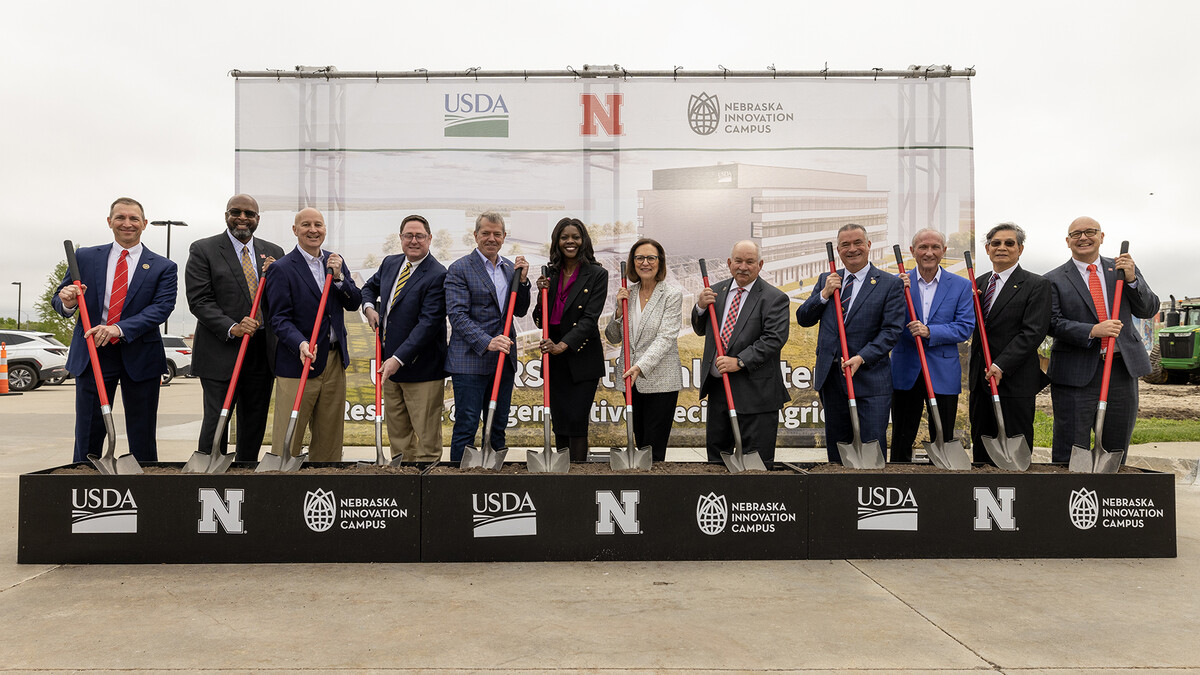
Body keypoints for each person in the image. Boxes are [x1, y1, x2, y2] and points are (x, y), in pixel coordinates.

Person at [53, 197, 177, 463]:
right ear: (109, 222)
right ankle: (85, 480)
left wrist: (117, 329)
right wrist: (68, 301)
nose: (127, 224)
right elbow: (59, 298)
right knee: (88, 429)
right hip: (93, 354)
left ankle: (142, 487)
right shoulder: (83, 257)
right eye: (120, 217)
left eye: (134, 219)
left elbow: (161, 309)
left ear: (144, 224)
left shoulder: (163, 267)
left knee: (142, 432)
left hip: (140, 355)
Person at [1046, 216, 1159, 464]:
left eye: (1090, 232)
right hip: (1075, 372)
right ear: (1067, 241)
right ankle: (1068, 497)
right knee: (1071, 445)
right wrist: (1092, 330)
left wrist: (1132, 280)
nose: (1083, 237)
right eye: (1076, 234)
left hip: (1121, 369)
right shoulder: (1052, 279)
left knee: (1116, 444)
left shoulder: (1121, 269)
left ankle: (1110, 494)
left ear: (1101, 237)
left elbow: (1148, 309)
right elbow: (1051, 322)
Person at [185, 194, 285, 462]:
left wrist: (276, 276)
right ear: (226, 215)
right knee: (218, 417)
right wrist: (232, 327)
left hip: (261, 352)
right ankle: (210, 471)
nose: (242, 218)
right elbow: (199, 300)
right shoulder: (203, 249)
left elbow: (280, 301)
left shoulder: (274, 252)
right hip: (222, 349)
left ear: (258, 219)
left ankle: (246, 471)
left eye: (249, 214)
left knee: (254, 419)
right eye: (236, 212)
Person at [796, 223, 905, 463]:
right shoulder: (828, 279)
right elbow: (803, 319)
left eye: (857, 243)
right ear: (838, 249)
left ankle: (871, 493)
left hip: (869, 377)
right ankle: (838, 494)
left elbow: (891, 331)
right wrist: (823, 295)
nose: (852, 249)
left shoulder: (889, 283)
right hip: (832, 377)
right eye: (845, 244)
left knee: (871, 445)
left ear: (868, 245)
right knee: (838, 446)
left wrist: (862, 356)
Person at [264, 207, 362, 462]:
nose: (313, 230)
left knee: (329, 438)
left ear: (325, 230)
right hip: (299, 362)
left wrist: (340, 278)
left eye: (318, 224)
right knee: (290, 436)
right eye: (305, 224)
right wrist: (300, 343)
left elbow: (353, 303)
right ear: (295, 230)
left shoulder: (335, 261)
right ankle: (281, 487)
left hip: (333, 360)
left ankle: (325, 486)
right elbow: (279, 318)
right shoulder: (282, 268)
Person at [691, 240, 790, 467]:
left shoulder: (774, 298)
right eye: (738, 261)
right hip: (719, 394)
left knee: (755, 467)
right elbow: (699, 328)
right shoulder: (715, 292)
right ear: (729, 263)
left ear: (760, 264)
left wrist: (740, 361)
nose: (743, 267)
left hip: (757, 395)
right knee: (717, 464)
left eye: (750, 261)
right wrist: (700, 308)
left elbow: (774, 339)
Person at [444, 212, 531, 463]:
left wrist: (522, 282)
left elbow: (519, 310)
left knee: (497, 427)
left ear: (504, 237)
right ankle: (460, 485)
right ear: (475, 236)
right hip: (470, 361)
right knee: (467, 425)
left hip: (502, 363)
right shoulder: (460, 268)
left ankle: (493, 480)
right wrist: (487, 341)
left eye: (497, 234)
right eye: (486, 233)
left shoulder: (508, 268)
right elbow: (457, 316)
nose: (491, 238)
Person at [361, 214, 448, 462]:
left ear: (429, 239)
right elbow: (368, 288)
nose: (413, 240)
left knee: (426, 441)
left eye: (419, 236)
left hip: (421, 370)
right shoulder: (390, 263)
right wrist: (369, 307)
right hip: (390, 368)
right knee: (398, 439)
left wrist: (397, 359)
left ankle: (427, 491)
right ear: (400, 238)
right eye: (408, 235)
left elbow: (428, 325)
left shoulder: (437, 274)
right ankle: (403, 487)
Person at [968, 222, 1051, 462]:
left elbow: (1033, 332)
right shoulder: (977, 285)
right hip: (981, 380)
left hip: (1015, 381)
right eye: (996, 243)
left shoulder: (1037, 285)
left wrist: (1002, 364)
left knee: (1015, 453)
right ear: (987, 249)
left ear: (1020, 249)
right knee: (982, 451)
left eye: (1009, 243)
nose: (1001, 247)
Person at [889, 229, 975, 461]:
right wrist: (895, 292)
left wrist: (930, 331)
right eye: (923, 247)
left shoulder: (960, 286)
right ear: (912, 251)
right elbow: (887, 323)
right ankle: (899, 481)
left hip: (943, 371)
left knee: (943, 435)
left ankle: (942, 483)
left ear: (944, 251)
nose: (929, 253)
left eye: (935, 247)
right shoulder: (898, 283)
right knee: (901, 437)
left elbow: (965, 326)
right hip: (906, 370)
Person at [533, 217, 608, 462]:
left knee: (576, 418)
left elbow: (589, 319)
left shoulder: (597, 274)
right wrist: (540, 294)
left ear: (583, 240)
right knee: (560, 418)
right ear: (557, 241)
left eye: (575, 237)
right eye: (564, 237)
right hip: (553, 358)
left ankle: (578, 472)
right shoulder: (550, 273)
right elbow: (540, 318)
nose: (570, 242)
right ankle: (562, 473)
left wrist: (562, 345)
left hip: (581, 355)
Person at [605, 238, 684, 462]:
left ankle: (655, 489)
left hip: (660, 380)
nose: (645, 263)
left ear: (660, 262)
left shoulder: (671, 295)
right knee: (640, 441)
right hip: (631, 380)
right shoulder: (626, 294)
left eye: (651, 258)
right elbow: (613, 337)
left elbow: (666, 337)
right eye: (639, 258)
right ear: (633, 262)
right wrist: (617, 314)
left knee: (654, 446)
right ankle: (641, 482)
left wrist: (640, 366)